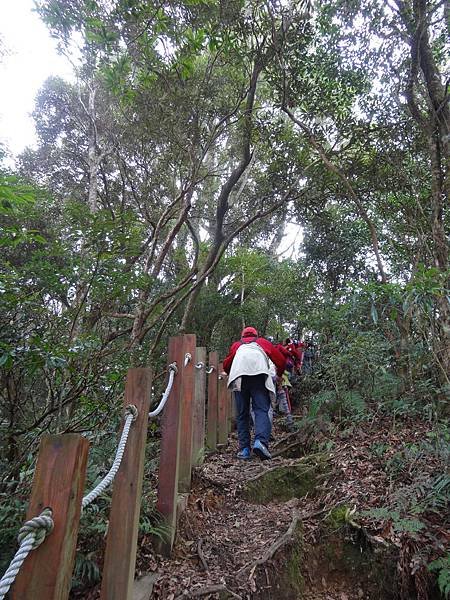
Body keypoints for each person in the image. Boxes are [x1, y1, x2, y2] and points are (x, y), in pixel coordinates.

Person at [223, 326, 286, 460]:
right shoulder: (262, 342)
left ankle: (244, 449)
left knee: (242, 413)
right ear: (256, 335)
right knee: (261, 409)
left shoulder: (237, 345)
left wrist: (231, 373)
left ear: (242, 336)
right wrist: (279, 374)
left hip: (240, 377)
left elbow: (226, 364)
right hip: (259, 376)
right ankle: (260, 442)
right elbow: (281, 360)